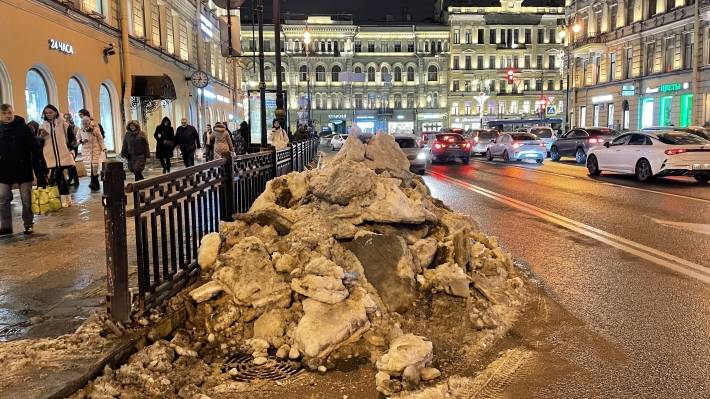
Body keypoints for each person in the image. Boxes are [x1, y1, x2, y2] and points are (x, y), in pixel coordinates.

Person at [0, 104, 35, 235]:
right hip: (4, 169)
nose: (7, 116)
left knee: (26, 198)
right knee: (2, 197)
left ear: (13, 112)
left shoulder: (23, 128)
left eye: (9, 113)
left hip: (23, 168)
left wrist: (39, 170)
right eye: (4, 114)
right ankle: (6, 226)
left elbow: (33, 147)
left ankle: (28, 224)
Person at [40, 104, 76, 207]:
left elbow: (72, 138)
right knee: (59, 177)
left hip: (63, 155)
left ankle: (62, 198)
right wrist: (41, 137)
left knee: (56, 176)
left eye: (50, 112)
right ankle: (66, 198)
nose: (48, 115)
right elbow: (39, 142)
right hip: (50, 156)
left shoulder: (64, 124)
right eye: (46, 113)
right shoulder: (42, 126)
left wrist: (69, 147)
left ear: (56, 112)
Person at [78, 116, 106, 191]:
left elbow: (100, 139)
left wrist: (103, 148)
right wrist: (81, 141)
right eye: (83, 123)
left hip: (96, 150)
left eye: (86, 122)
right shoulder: (80, 130)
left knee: (95, 167)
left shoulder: (95, 129)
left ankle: (95, 183)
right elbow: (77, 139)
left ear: (89, 122)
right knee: (89, 168)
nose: (85, 124)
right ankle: (93, 182)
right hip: (86, 152)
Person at [27, 120, 48, 187]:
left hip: (39, 160)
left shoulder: (39, 138)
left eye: (32, 128)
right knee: (40, 177)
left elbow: (39, 149)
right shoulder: (30, 138)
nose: (31, 130)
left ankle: (42, 191)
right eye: (29, 128)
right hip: (34, 160)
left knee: (41, 177)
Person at [63, 113, 80, 186]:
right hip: (66, 147)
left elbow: (75, 138)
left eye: (68, 117)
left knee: (71, 163)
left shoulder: (74, 127)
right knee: (71, 164)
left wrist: (73, 144)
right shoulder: (63, 126)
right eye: (65, 118)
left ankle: (72, 179)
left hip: (73, 147)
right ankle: (74, 179)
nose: (67, 119)